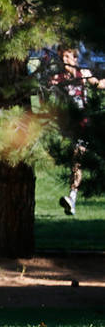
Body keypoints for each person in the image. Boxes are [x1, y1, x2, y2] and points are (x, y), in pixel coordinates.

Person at [52, 46, 103, 215]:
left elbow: (98, 84)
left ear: (75, 59)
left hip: (85, 123)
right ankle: (72, 197)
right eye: (62, 57)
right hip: (70, 125)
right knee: (76, 159)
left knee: (77, 158)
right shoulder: (58, 78)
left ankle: (72, 198)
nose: (64, 60)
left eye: (68, 56)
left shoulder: (84, 74)